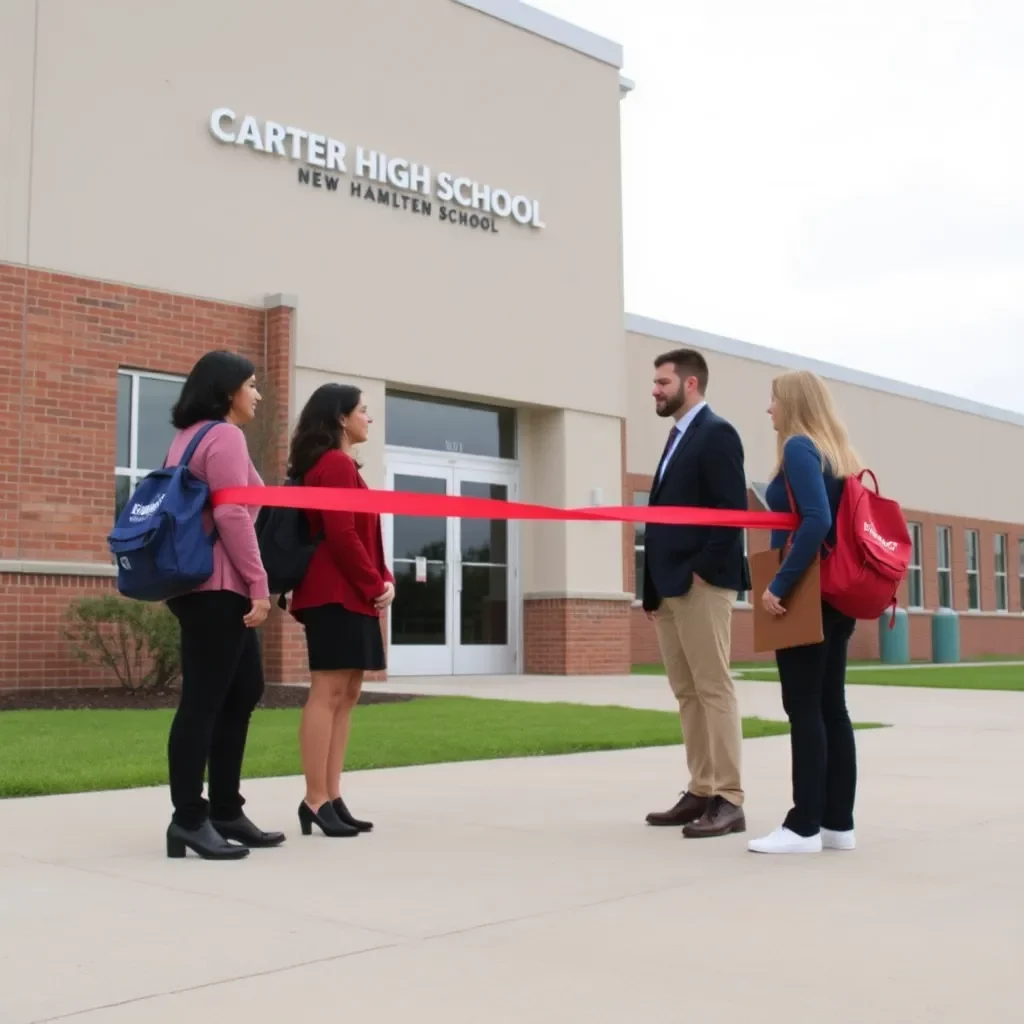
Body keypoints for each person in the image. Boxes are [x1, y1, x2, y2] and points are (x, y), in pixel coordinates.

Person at [163, 351, 283, 860]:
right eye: (250, 385)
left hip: (202, 588)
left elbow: (249, 495)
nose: (257, 394)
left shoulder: (191, 436)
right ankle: (189, 818)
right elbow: (234, 513)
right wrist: (259, 584)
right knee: (204, 703)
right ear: (227, 389)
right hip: (218, 589)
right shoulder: (224, 435)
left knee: (242, 690)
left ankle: (226, 810)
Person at [748, 370, 863, 855]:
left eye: (773, 400)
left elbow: (816, 519)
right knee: (831, 707)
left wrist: (779, 583)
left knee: (803, 708)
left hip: (808, 594)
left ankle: (803, 827)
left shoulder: (798, 447)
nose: (768, 409)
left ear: (792, 403)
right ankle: (838, 824)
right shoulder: (836, 452)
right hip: (838, 598)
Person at [642, 348, 751, 839]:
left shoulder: (717, 433)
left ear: (690, 384)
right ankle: (701, 789)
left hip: (701, 586)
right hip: (668, 590)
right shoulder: (676, 437)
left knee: (713, 688)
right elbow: (660, 521)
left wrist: (701, 572)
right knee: (687, 693)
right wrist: (652, 591)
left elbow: (732, 508)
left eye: (663, 382)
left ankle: (729, 797)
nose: (655, 390)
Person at [287, 383, 395, 838]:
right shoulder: (332, 464)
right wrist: (374, 582)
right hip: (333, 593)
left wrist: (383, 578)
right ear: (340, 419)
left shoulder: (346, 466)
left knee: (347, 695)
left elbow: (366, 534)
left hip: (355, 594)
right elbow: (341, 532)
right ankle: (314, 798)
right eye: (362, 411)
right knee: (327, 692)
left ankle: (331, 795)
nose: (368, 418)